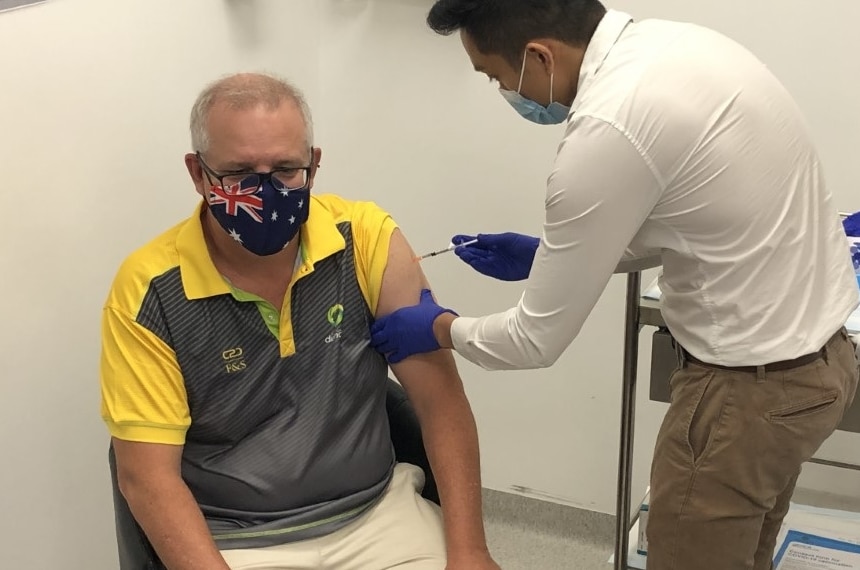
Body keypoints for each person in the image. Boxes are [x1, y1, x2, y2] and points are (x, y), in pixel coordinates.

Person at [369, 2, 860, 569]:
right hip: (819, 365)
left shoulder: (606, 130)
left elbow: (534, 341)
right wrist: (548, 256)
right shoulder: (680, 50)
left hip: (746, 396)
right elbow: (698, 219)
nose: (501, 89)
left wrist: (437, 328)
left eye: (493, 75)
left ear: (538, 56)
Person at [100, 72, 499, 570]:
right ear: (198, 174)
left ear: (314, 165)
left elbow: (440, 400)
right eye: (240, 174)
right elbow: (147, 476)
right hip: (234, 540)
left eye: (286, 170)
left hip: (377, 516)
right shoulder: (149, 290)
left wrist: (470, 552)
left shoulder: (366, 239)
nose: (266, 192)